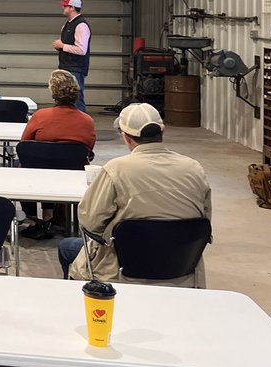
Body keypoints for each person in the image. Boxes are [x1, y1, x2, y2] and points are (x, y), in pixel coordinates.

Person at [57, 103, 212, 285]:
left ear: (125, 136)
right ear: (163, 131)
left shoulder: (116, 169)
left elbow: (89, 221)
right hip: (182, 270)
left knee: (67, 247)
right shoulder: (194, 168)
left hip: (125, 271)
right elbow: (205, 219)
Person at [19, 69, 97, 240]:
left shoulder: (40, 116)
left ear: (53, 93)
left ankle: (33, 218)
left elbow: (24, 145)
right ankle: (51, 216)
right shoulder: (87, 121)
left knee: (27, 163)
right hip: (71, 174)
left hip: (39, 173)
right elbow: (89, 150)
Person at [52, 0, 91, 112]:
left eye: (65, 6)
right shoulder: (67, 24)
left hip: (75, 68)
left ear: (72, 8)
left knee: (77, 99)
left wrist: (63, 46)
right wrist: (61, 48)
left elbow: (81, 50)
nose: (63, 8)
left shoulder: (81, 25)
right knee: (64, 99)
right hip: (66, 67)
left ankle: (81, 125)